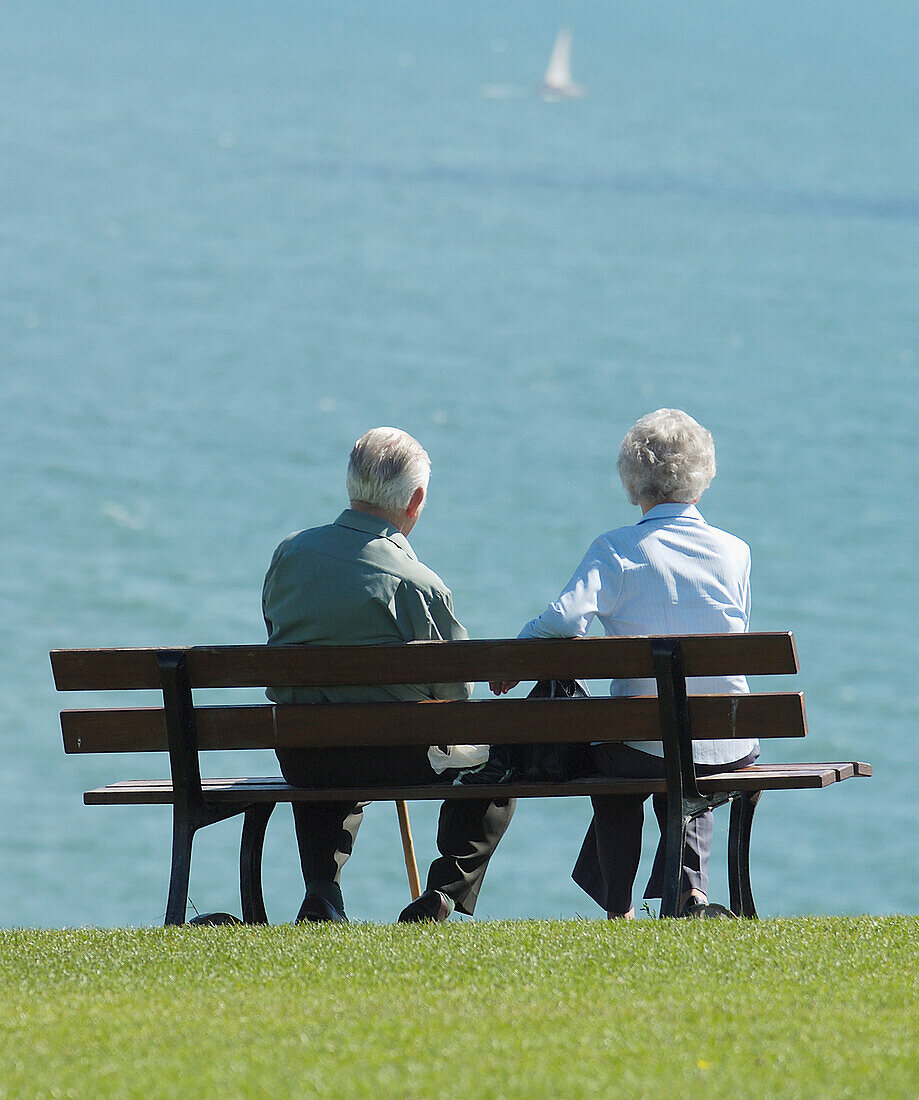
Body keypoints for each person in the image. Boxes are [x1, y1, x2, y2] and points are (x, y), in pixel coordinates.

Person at [491, 409, 757, 918]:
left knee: (625, 755)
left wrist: (515, 658)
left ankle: (619, 907)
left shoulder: (617, 549)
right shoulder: (735, 553)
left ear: (633, 484)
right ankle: (688, 893)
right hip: (729, 743)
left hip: (644, 747)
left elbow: (565, 620)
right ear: (702, 481)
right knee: (686, 745)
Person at [262, 426, 515, 923]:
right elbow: (454, 698)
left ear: (351, 484)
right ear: (415, 499)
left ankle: (322, 891)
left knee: (325, 728)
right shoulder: (418, 584)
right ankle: (443, 893)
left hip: (304, 756)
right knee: (500, 757)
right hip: (401, 758)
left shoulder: (289, 556)